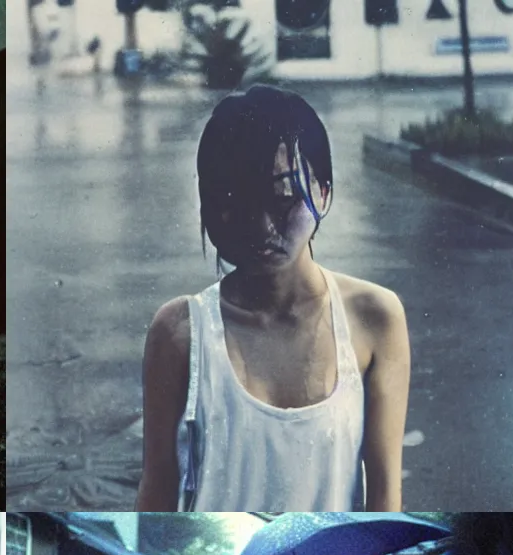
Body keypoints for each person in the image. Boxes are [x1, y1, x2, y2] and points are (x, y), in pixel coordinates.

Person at [136, 85, 412, 513]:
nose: (261, 226)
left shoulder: (375, 319)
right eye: (233, 201)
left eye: (283, 197)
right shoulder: (179, 333)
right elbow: (157, 492)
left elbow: (384, 494)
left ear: (323, 190)